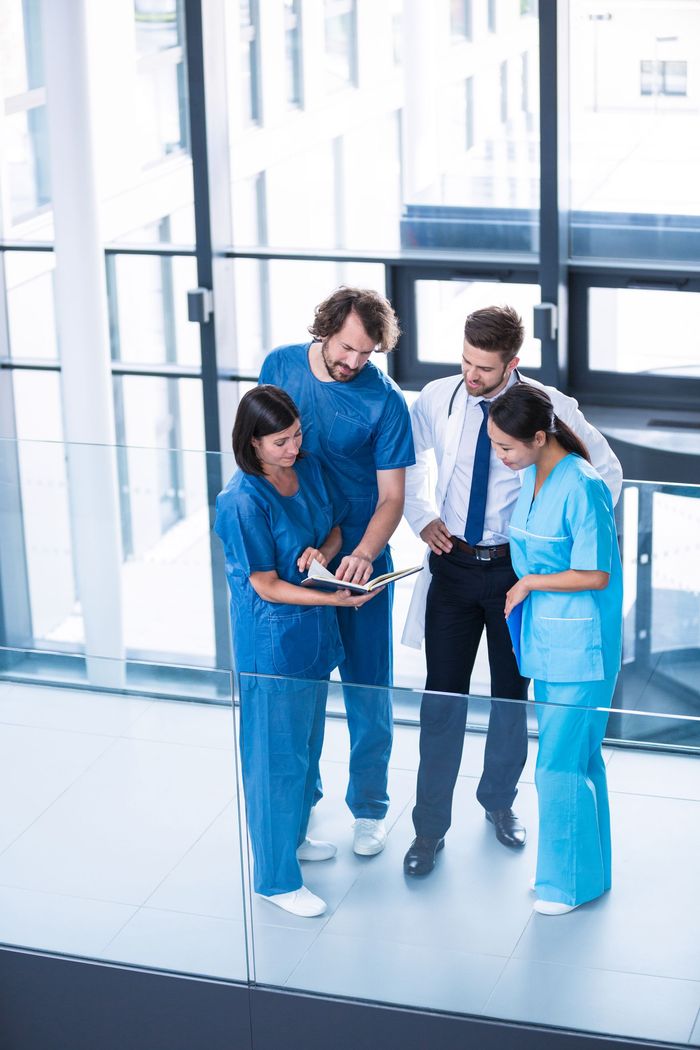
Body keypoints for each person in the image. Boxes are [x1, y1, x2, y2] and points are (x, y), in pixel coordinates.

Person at [401, 306, 622, 877]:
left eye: (485, 368)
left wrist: (557, 537)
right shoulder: (438, 396)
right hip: (451, 564)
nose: (472, 376)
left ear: (513, 363)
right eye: (467, 362)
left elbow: (606, 472)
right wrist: (422, 516)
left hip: (512, 572)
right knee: (441, 700)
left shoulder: (547, 407)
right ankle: (428, 829)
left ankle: (499, 802)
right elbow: (405, 459)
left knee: (508, 697)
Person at [214, 386, 381, 918]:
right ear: (253, 444)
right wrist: (334, 595)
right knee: (274, 761)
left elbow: (331, 530)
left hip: (312, 637)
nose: (293, 447)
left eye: (297, 436)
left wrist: (324, 553)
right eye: (281, 441)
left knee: (305, 750)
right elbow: (265, 584)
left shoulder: (304, 470)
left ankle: (292, 840)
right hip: (273, 646)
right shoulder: (241, 500)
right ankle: (274, 877)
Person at [259, 287, 415, 857]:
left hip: (358, 560)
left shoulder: (386, 403)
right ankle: (298, 812)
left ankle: (370, 808)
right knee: (300, 692)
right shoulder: (278, 365)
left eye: (366, 354)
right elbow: (259, 450)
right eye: (347, 348)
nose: (353, 362)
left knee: (368, 688)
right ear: (325, 328)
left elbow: (392, 497)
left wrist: (365, 553)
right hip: (296, 559)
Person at [489, 383, 623, 914]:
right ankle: (584, 872)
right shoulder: (535, 476)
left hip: (581, 644)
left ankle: (565, 884)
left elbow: (595, 573)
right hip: (550, 638)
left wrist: (528, 585)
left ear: (539, 437)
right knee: (580, 759)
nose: (500, 456)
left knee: (558, 765)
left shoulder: (583, 486)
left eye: (506, 447)